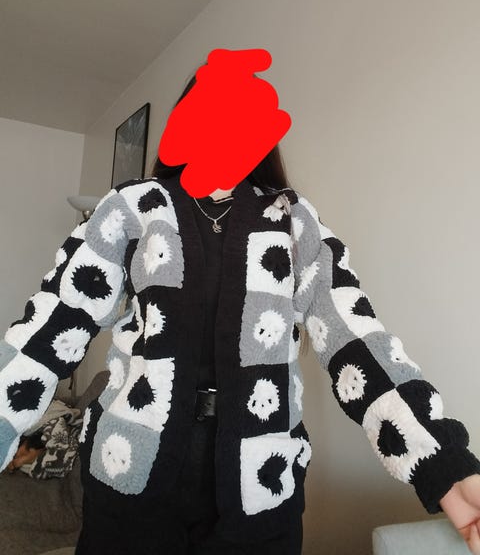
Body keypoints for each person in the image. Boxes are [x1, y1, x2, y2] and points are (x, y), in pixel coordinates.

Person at [1, 66, 480, 555]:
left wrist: (445, 464)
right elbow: (55, 321)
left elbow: (354, 337)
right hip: (129, 479)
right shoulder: (135, 206)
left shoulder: (293, 219)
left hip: (262, 491)